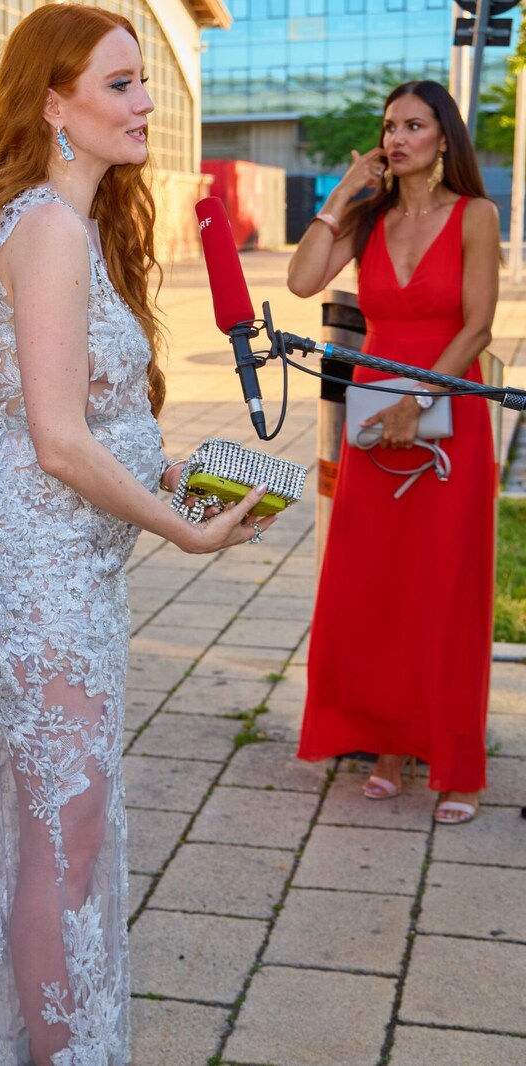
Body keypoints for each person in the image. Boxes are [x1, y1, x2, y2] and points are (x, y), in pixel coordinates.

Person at [0, 6, 278, 1063]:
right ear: (54, 103)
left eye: (142, 83)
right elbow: (52, 439)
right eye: (120, 84)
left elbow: (92, 418)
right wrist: (179, 525)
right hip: (41, 569)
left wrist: (170, 464)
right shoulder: (42, 228)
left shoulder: (69, 225)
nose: (142, 106)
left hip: (67, 564)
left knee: (60, 833)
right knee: (61, 840)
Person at [288, 81, 499, 826]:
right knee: (373, 585)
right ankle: (384, 747)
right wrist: (344, 191)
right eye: (390, 126)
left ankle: (456, 764)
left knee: (445, 589)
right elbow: (303, 277)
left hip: (450, 409)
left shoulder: (476, 216)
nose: (399, 136)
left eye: (416, 124)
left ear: (446, 139)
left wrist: (424, 400)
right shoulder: (369, 217)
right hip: (376, 416)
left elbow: (478, 326)